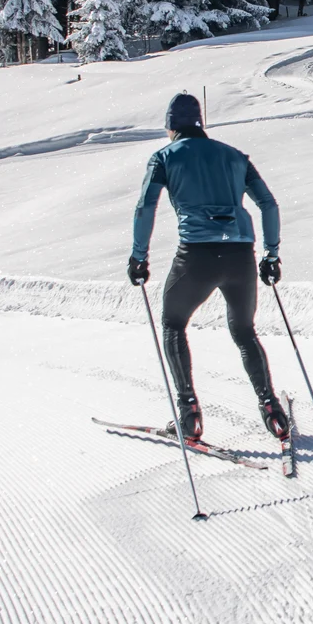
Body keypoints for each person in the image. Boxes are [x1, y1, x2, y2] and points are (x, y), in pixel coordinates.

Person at [129, 92, 290, 445]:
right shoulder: (235, 156)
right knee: (245, 332)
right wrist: (271, 254)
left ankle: (189, 415)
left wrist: (139, 257)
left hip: (196, 257)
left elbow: (145, 208)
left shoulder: (163, 158)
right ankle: (272, 411)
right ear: (200, 123)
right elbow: (269, 205)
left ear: (171, 126)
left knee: (173, 323)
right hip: (240, 256)